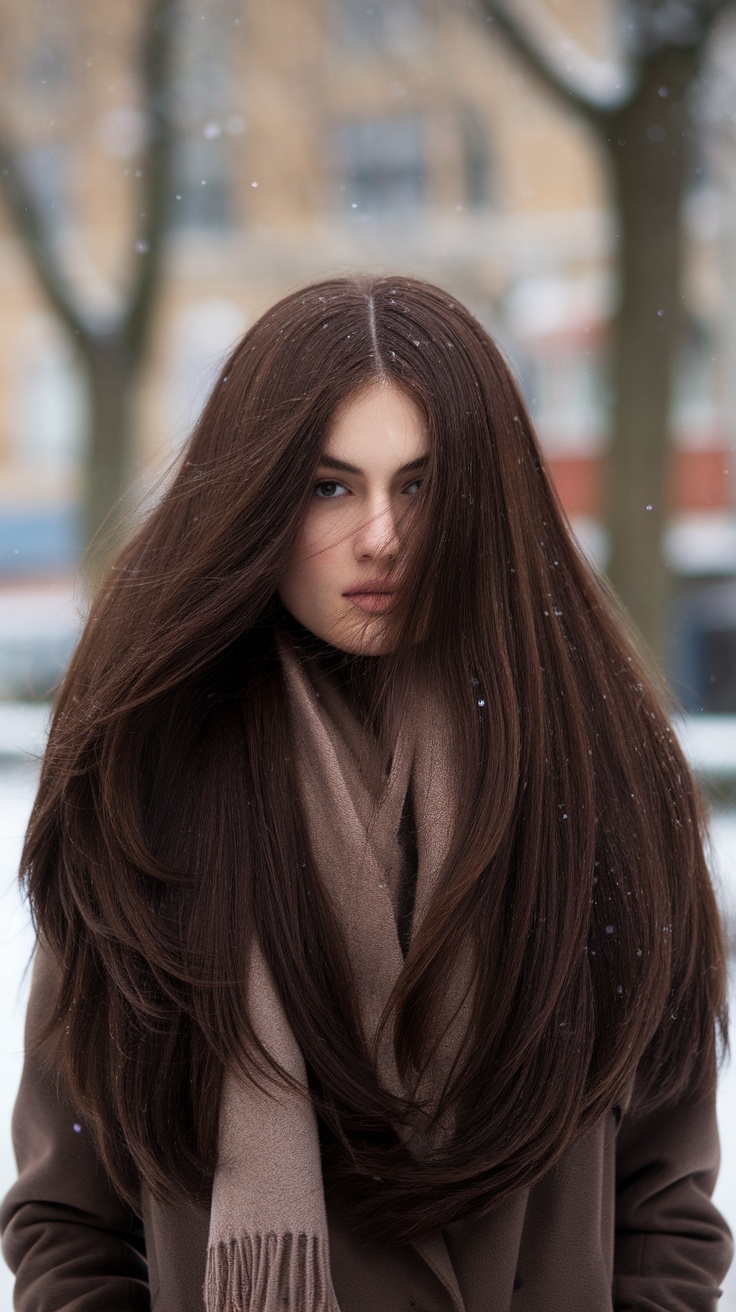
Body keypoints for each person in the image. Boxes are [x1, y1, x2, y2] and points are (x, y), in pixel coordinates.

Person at [1, 275, 731, 1312]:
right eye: (329, 486)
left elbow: (664, 1203)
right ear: (254, 498)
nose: (381, 536)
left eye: (423, 486)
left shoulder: (602, 772)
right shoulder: (142, 784)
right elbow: (72, 1220)